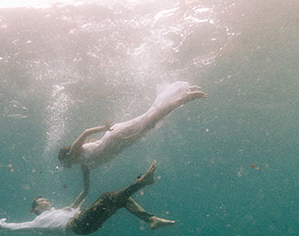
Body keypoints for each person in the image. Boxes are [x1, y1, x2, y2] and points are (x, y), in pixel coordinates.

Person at [57, 81, 206, 197]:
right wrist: (73, 207)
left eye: (63, 163)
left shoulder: (74, 152)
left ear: (66, 158)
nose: (64, 166)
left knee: (151, 119)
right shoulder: (84, 166)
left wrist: (104, 128)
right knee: (150, 120)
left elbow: (85, 133)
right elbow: (85, 191)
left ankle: (185, 97)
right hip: (122, 143)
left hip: (115, 137)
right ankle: (181, 95)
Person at [0, 161, 174, 235]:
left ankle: (152, 220)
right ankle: (142, 183)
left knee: (120, 200)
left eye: (45, 199)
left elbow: (85, 193)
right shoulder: (37, 221)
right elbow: (15, 227)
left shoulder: (62, 210)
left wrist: (85, 172)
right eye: (41, 201)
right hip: (78, 226)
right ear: (36, 209)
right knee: (108, 196)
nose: (46, 200)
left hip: (87, 226)